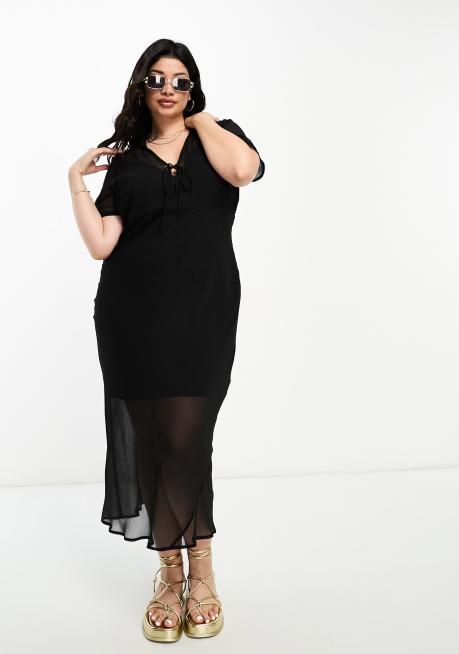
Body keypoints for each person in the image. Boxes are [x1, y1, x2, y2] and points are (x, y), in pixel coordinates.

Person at [67, 38, 265, 642]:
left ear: (194, 88)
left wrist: (199, 115)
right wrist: (75, 180)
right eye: (156, 79)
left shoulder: (218, 137)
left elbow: (243, 171)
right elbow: (102, 244)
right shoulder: (127, 161)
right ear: (140, 86)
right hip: (131, 315)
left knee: (187, 437)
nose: (168, 89)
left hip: (203, 311)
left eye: (181, 80)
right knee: (156, 443)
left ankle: (201, 569)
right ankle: (171, 574)